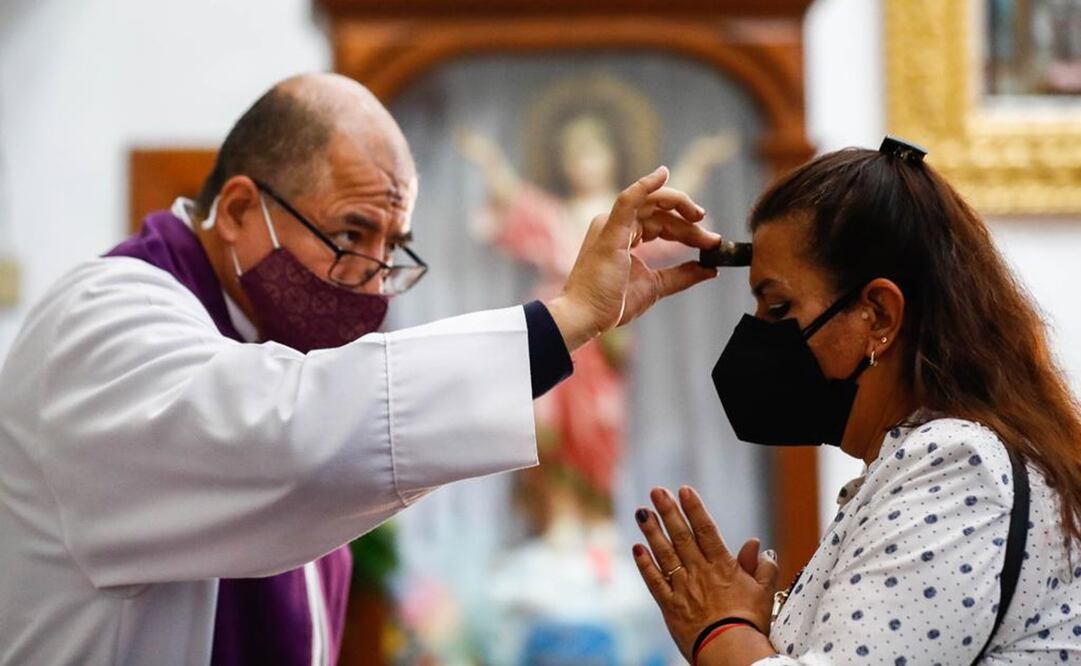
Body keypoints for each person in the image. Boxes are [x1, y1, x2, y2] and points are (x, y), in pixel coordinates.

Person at [0, 73, 720, 665]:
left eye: (391, 245)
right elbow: (285, 442)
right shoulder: (102, 321)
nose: (373, 280)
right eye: (351, 233)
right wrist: (560, 325)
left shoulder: (268, 335)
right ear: (241, 208)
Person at [631, 138, 1081, 664]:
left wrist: (718, 628)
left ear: (880, 317)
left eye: (778, 307)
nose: (757, 333)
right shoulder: (911, 464)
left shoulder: (960, 468)